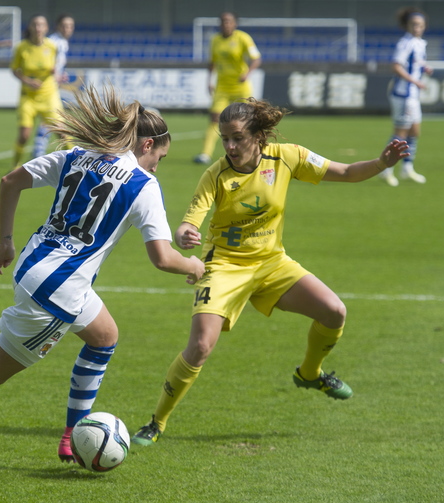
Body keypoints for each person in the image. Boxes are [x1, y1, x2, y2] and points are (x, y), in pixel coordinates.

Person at [0, 84, 205, 480]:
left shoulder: (76, 156)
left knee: (104, 337)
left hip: (36, 266)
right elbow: (162, 258)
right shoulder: (142, 185)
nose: (157, 167)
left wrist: (5, 243)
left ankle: (72, 434)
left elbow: (10, 181)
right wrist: (194, 267)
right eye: (159, 157)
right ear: (147, 143)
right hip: (58, 291)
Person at [131, 98, 410, 446]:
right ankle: (157, 422)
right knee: (201, 346)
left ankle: (310, 374)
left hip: (271, 263)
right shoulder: (215, 174)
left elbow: (347, 173)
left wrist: (382, 163)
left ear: (259, 136)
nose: (230, 147)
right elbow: (190, 221)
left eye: (237, 138)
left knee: (334, 311)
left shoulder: (287, 156)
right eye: (224, 139)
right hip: (224, 267)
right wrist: (185, 232)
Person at [193, 12, 262, 165]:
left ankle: (254, 149)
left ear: (235, 24)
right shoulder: (215, 40)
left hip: (240, 86)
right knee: (214, 118)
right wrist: (209, 81)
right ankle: (205, 154)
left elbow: (256, 58)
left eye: (229, 21)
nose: (226, 24)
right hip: (222, 87)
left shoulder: (243, 38)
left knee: (248, 120)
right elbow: (212, 63)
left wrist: (247, 73)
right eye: (223, 21)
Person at [379, 7, 432, 186]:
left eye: (421, 25)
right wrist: (415, 81)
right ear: (407, 25)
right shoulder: (405, 43)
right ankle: (385, 168)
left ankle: (407, 168)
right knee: (400, 132)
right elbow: (396, 66)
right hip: (403, 94)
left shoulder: (419, 43)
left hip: (412, 95)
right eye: (414, 24)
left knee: (414, 131)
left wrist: (424, 68)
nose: (418, 27)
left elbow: (415, 62)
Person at [10, 14, 65, 168]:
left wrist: (58, 75)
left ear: (46, 28)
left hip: (49, 95)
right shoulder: (21, 47)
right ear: (30, 27)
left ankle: (76, 166)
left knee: (62, 133)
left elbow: (55, 69)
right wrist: (28, 81)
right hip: (28, 96)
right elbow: (15, 70)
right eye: (35, 24)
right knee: (24, 135)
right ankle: (15, 165)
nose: (38, 28)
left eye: (41, 25)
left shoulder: (52, 46)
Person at [32, 14, 75, 159]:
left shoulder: (62, 42)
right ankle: (72, 155)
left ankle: (39, 150)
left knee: (50, 121)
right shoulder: (54, 42)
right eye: (64, 25)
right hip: (46, 87)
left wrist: (60, 75)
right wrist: (55, 75)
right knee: (56, 121)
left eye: (70, 26)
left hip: (52, 86)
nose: (67, 29)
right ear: (58, 27)